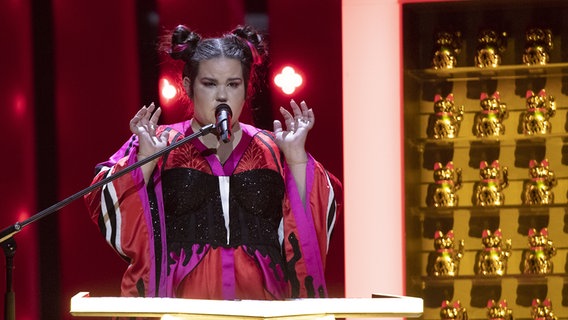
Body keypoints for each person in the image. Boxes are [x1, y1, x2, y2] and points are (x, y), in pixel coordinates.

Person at [84, 24, 342, 301]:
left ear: (247, 87)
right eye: (209, 84)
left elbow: (310, 224)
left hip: (262, 301)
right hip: (182, 299)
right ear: (187, 86)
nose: (222, 96)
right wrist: (145, 161)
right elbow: (102, 200)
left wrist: (296, 158)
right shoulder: (160, 142)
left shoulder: (274, 146)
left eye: (233, 84)